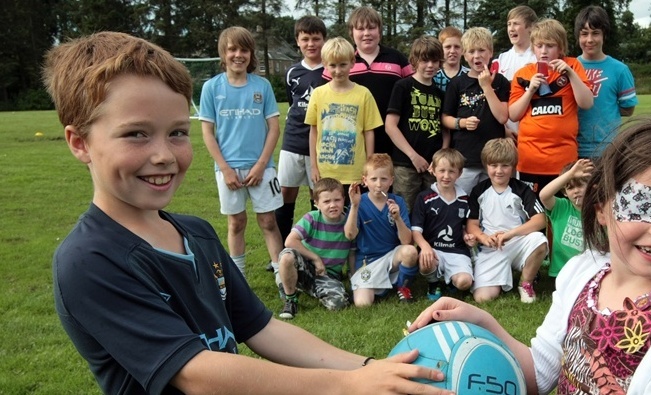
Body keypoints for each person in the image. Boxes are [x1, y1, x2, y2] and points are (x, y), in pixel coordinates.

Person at [45, 31, 452, 395]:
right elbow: (196, 373)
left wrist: (368, 367)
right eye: (136, 133)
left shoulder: (198, 234)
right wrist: (348, 385)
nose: (163, 155)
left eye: (177, 133)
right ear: (79, 142)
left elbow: (264, 329)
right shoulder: (90, 260)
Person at [410, 117, 651, 395]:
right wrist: (480, 319)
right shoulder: (583, 272)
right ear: (601, 210)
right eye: (642, 204)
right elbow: (540, 373)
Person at [199, 26, 283, 277]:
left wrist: (261, 165)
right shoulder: (211, 88)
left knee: (268, 221)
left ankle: (283, 278)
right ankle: (240, 280)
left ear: (251, 54)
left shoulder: (263, 86)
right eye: (232, 49)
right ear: (223, 54)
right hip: (228, 170)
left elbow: (274, 129)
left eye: (244, 49)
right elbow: (207, 133)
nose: (238, 55)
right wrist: (225, 169)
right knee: (236, 223)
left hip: (262, 167)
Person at [509, 19, 593, 194]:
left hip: (563, 161)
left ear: (561, 48)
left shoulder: (573, 65)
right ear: (533, 47)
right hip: (530, 160)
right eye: (539, 46)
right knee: (534, 214)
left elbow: (586, 103)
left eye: (550, 45)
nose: (544, 51)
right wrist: (530, 90)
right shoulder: (523, 73)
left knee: (562, 213)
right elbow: (514, 114)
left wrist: (570, 74)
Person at [467, 139, 547, 303]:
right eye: (493, 165)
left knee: (540, 241)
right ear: (486, 165)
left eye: (505, 165)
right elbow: (472, 225)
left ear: (513, 166)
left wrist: (510, 234)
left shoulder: (522, 189)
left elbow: (541, 220)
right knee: (483, 298)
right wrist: (484, 238)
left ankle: (526, 283)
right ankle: (503, 273)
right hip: (492, 247)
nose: (499, 171)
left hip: (518, 242)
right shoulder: (479, 191)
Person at [275, 16, 328, 245]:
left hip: (321, 143)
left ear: (324, 40)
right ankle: (282, 247)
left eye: (316, 39)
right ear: (298, 41)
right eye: (305, 39)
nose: (311, 44)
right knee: (286, 193)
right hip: (293, 141)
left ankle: (314, 244)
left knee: (317, 194)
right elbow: (292, 104)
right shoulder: (292, 72)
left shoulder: (330, 71)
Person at [334, 6, 413, 155]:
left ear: (380, 31)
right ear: (352, 33)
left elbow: (414, 91)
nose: (366, 34)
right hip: (351, 140)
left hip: (392, 141)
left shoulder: (397, 59)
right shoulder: (341, 61)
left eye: (371, 28)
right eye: (360, 29)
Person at [442, 27, 510, 194]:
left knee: (492, 202)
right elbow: (445, 118)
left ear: (491, 52)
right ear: (465, 55)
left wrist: (486, 86)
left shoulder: (500, 81)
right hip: (465, 158)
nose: (476, 56)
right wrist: (462, 123)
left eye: (481, 50)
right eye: (471, 51)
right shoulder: (457, 83)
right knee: (463, 202)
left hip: (494, 160)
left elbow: (502, 117)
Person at [307, 37, 381, 191]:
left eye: (343, 65)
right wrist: (313, 166)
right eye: (332, 65)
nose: (338, 71)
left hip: (355, 173)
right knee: (329, 212)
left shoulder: (363, 94)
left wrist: (369, 167)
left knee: (354, 213)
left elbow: (369, 132)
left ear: (352, 62)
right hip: (325, 172)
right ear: (325, 64)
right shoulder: (318, 94)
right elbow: (313, 131)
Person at [345, 154, 419, 306]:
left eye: (384, 179)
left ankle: (402, 287)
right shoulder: (359, 202)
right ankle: (382, 286)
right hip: (368, 261)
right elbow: (350, 235)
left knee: (410, 252)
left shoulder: (397, 202)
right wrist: (354, 206)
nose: (379, 184)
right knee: (362, 304)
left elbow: (406, 241)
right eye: (373, 179)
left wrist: (398, 218)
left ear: (391, 180)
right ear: (365, 180)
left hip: (391, 258)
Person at [385, 35, 448, 212]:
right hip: (406, 164)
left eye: (435, 61)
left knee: (432, 212)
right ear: (414, 60)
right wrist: (413, 156)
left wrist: (439, 160)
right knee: (404, 211)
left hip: (432, 166)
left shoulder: (440, 93)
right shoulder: (403, 86)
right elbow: (390, 126)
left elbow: (445, 131)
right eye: (425, 60)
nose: (430, 66)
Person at [277, 178, 353, 319]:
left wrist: (354, 280)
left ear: (344, 199)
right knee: (287, 256)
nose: (332, 205)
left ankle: (297, 284)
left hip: (328, 275)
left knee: (339, 303)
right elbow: (289, 241)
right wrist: (316, 258)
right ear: (316, 204)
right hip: (304, 267)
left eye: (337, 200)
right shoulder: (311, 218)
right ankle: (291, 299)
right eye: (326, 201)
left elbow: (353, 253)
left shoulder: (350, 222)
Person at [575, 5, 639, 158]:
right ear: (578, 36)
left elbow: (628, 109)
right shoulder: (569, 67)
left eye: (595, 33)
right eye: (584, 34)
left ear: (604, 35)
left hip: (608, 150)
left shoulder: (619, 70)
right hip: (573, 148)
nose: (589, 40)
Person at [411, 148, 475, 300]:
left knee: (464, 283)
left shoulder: (465, 199)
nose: (446, 176)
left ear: (459, 174)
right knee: (425, 261)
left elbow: (465, 228)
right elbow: (416, 231)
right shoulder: (424, 198)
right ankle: (433, 283)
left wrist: (468, 237)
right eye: (442, 171)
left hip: (457, 251)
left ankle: (452, 281)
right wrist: (425, 247)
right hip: (434, 250)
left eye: (452, 171)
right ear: (433, 170)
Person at [538, 159, 593, 287]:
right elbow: (543, 195)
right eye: (570, 187)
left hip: (591, 270)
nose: (575, 191)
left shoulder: (600, 211)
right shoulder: (561, 207)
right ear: (564, 192)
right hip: (563, 272)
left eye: (580, 185)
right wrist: (570, 174)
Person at [495, 5, 539, 140]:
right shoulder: (501, 59)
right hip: (507, 135)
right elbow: (494, 96)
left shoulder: (539, 58)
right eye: (509, 24)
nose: (511, 29)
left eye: (516, 24)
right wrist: (503, 129)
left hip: (533, 132)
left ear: (530, 27)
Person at [433, 26, 469, 92]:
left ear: (463, 50)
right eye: (448, 47)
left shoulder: (469, 75)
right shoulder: (433, 75)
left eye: (457, 47)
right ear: (440, 49)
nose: (452, 51)